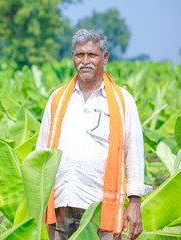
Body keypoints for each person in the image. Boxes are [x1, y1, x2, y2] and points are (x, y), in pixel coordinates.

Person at [36, 29, 152, 240]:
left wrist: (135, 202)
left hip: (100, 209)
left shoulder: (122, 100)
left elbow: (134, 154)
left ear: (104, 58)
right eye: (80, 55)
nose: (85, 61)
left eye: (92, 55)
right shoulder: (58, 98)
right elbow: (41, 151)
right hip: (61, 204)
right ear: (73, 57)